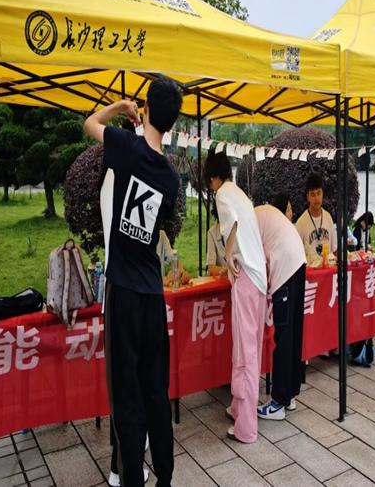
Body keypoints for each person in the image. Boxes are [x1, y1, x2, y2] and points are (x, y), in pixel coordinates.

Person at [84, 76, 182, 487]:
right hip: (151, 296)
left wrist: (119, 108)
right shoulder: (171, 178)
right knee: (156, 393)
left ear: (145, 107)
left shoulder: (126, 148)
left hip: (123, 291)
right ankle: (166, 478)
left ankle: (131, 481)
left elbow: (89, 124)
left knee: (126, 400)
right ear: (173, 122)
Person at [204, 151, 268, 443]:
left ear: (212, 178)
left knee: (245, 354)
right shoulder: (239, 193)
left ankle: (246, 428)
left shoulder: (222, 194)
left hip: (246, 278)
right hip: (258, 278)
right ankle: (238, 408)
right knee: (248, 350)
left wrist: (228, 256)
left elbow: (231, 226)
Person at [254, 202, 307, 421]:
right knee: (293, 331)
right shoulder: (262, 213)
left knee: (283, 335)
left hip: (285, 267)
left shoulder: (250, 221)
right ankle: (290, 394)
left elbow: (253, 262)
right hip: (299, 263)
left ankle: (278, 402)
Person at [295, 173, 337, 264]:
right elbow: (296, 255)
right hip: (311, 270)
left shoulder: (328, 217)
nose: (317, 198)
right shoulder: (301, 223)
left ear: (322, 194)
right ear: (308, 197)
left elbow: (334, 249)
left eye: (319, 193)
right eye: (313, 195)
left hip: (328, 268)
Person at [206, 205, 228, 278]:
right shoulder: (212, 233)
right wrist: (229, 271)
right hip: (222, 281)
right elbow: (211, 269)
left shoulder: (240, 231)